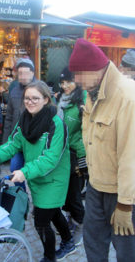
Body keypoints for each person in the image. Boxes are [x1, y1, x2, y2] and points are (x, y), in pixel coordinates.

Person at [68, 38, 135, 262]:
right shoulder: (93, 90)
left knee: (126, 252)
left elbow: (132, 154)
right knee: (93, 243)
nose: (75, 80)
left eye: (78, 74)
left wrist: (125, 204)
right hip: (97, 185)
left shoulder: (127, 96)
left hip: (123, 192)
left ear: (96, 69)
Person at [0, 81, 75, 262]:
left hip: (54, 178)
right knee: (52, 212)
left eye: (35, 98)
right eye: (27, 98)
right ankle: (69, 240)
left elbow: (51, 158)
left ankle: (49, 257)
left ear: (46, 99)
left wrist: (24, 172)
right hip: (36, 176)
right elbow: (13, 144)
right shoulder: (24, 119)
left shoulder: (56, 123)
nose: (30, 102)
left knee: (41, 220)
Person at [55, 67, 87, 246]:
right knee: (65, 192)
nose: (65, 85)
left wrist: (83, 159)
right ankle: (70, 219)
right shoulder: (60, 99)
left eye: (68, 81)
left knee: (74, 195)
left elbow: (86, 133)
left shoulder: (83, 101)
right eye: (62, 82)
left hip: (77, 154)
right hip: (62, 153)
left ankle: (80, 225)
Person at [2, 58, 36, 190]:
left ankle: (38, 203)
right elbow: (9, 118)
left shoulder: (39, 88)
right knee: (14, 169)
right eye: (20, 73)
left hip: (34, 140)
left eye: (26, 73)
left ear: (32, 73)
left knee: (34, 173)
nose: (23, 76)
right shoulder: (14, 90)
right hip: (17, 140)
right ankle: (21, 197)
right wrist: (6, 142)